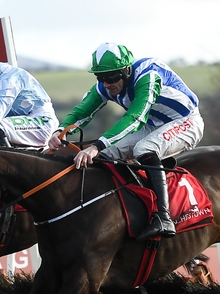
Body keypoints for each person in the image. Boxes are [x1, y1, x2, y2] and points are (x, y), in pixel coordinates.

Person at [48, 42, 204, 240]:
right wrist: (61, 131)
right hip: (153, 124)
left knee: (143, 148)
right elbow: (82, 111)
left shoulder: (147, 77)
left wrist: (95, 146)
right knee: (105, 156)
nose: (107, 84)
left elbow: (135, 118)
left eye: (112, 77)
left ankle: (164, 217)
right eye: (101, 78)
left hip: (186, 121)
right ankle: (121, 209)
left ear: (126, 70)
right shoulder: (105, 86)